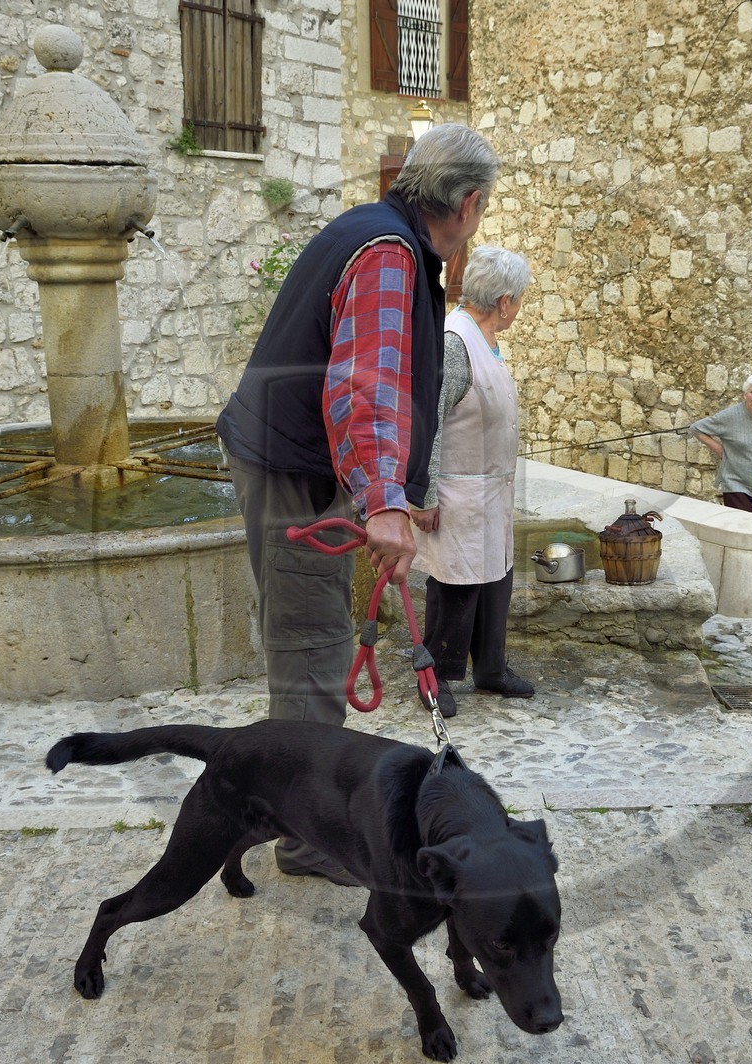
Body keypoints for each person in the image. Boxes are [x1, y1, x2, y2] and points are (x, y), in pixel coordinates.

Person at [215, 123, 499, 886]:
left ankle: (292, 821)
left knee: (311, 643)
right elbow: (363, 387)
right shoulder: (390, 254)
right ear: (468, 203)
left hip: (285, 457)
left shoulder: (376, 232)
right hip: (294, 471)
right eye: (483, 207)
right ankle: (305, 839)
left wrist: (400, 492)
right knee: (311, 652)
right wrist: (383, 504)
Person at [410, 246, 536, 719]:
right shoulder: (453, 342)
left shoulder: (486, 340)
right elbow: (428, 422)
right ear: (504, 302)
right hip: (458, 493)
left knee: (495, 582)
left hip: (490, 491)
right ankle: (433, 678)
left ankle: (490, 668)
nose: (518, 306)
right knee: (455, 589)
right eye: (518, 299)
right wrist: (421, 495)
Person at [691, 373, 752, 511]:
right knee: (742, 527)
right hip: (735, 482)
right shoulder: (731, 415)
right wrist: (720, 450)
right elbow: (696, 428)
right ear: (745, 394)